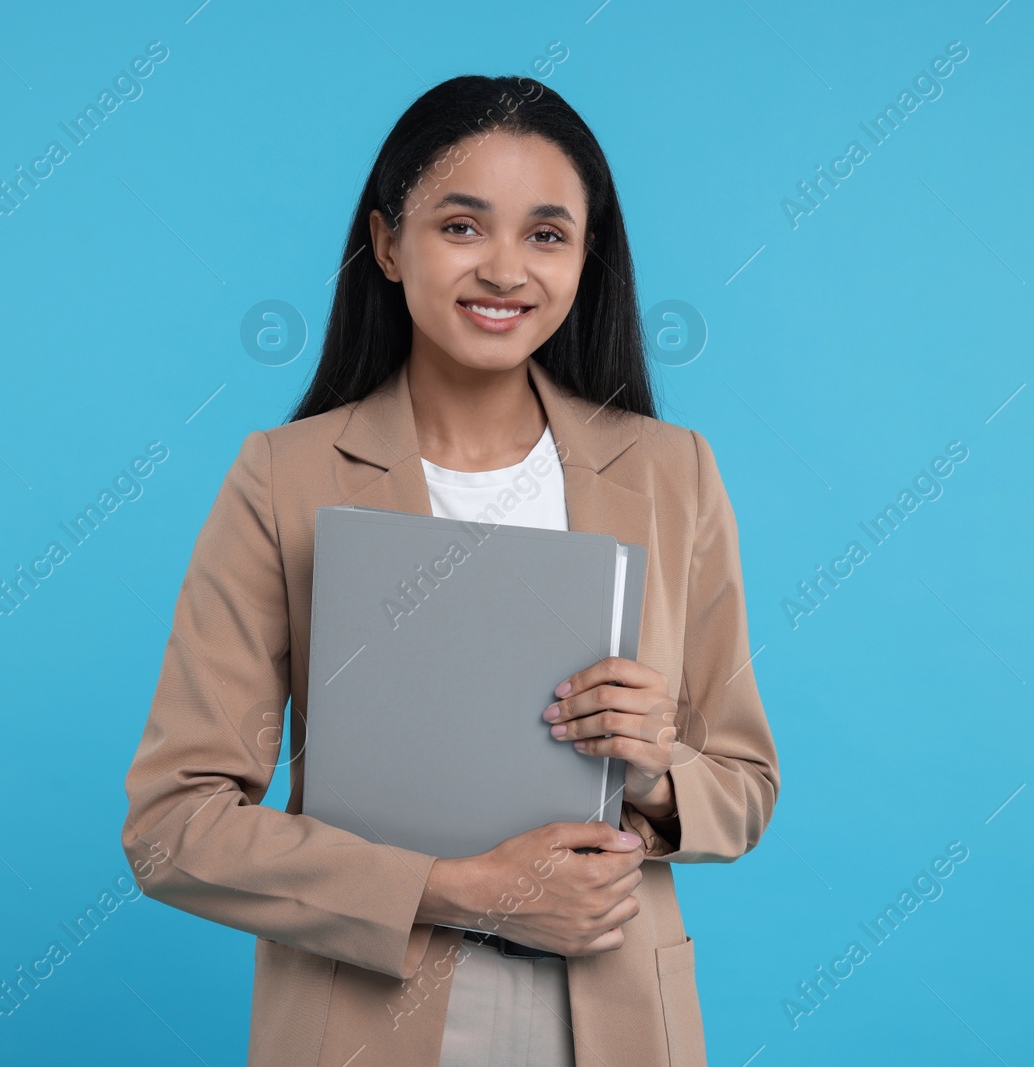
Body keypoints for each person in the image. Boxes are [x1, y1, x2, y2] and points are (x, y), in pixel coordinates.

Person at [120, 73, 781, 1067]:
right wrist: (458, 887)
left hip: (611, 1016)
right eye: (462, 226)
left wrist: (654, 769)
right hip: (364, 1012)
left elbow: (744, 785)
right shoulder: (283, 478)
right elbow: (174, 825)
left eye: (547, 234)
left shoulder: (669, 472)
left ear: (585, 258)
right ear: (388, 242)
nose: (505, 269)